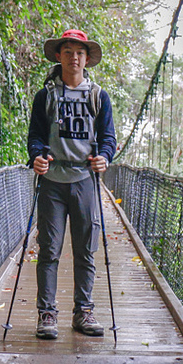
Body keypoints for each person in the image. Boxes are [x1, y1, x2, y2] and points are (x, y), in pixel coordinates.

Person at [26, 29, 116, 339]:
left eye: (79, 52)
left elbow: (108, 139)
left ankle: (84, 312)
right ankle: (47, 314)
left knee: (85, 250)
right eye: (68, 51)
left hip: (85, 181)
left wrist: (104, 156)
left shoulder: (98, 96)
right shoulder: (46, 96)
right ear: (59, 56)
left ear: (87, 58)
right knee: (49, 250)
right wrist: (36, 156)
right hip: (52, 181)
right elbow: (36, 136)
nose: (73, 57)